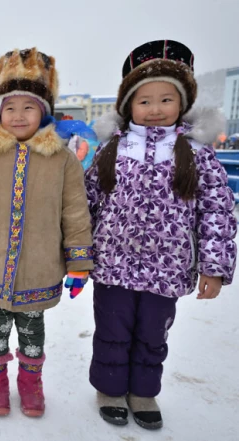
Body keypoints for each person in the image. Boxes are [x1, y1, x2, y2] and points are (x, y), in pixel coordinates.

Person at [86, 40, 237, 430]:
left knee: (153, 333)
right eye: (145, 101)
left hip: (167, 268)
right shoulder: (111, 151)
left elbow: (216, 212)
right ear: (128, 106)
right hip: (112, 263)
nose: (155, 110)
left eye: (166, 99)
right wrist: (73, 253)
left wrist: (214, 267)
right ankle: (110, 389)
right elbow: (83, 204)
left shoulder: (197, 154)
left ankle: (143, 392)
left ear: (182, 104)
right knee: (112, 329)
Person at [0, 47, 93, 417]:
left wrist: (78, 261)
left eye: (28, 107)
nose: (18, 115)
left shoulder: (61, 159)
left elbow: (75, 212)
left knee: (32, 335)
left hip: (39, 268)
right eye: (9, 108)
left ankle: (30, 384)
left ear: (43, 111)